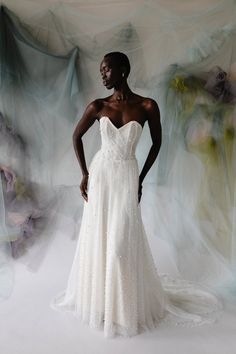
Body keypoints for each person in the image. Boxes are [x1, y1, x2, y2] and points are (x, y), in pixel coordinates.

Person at [50, 52, 223, 338]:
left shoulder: (147, 106)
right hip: (102, 176)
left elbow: (157, 143)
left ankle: (123, 307)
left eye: (107, 69)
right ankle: (103, 303)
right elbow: (76, 137)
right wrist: (84, 174)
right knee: (101, 237)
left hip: (127, 176)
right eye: (101, 70)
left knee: (121, 241)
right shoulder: (98, 106)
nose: (103, 75)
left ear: (123, 70)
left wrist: (140, 178)